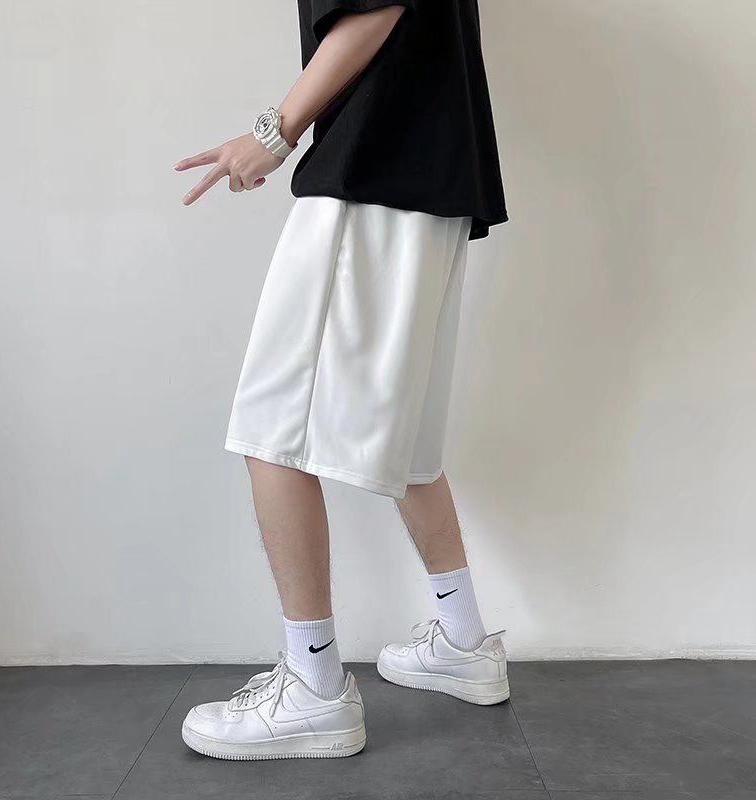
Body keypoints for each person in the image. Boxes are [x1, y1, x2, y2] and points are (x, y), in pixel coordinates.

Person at [174, 0, 508, 761]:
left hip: (373, 173)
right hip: (434, 184)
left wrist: (273, 133)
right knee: (410, 441)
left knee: (272, 431)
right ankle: (463, 642)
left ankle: (314, 686)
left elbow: (374, 5)